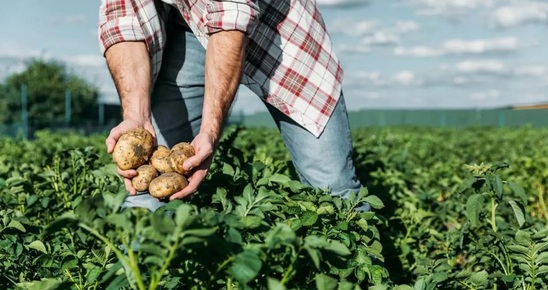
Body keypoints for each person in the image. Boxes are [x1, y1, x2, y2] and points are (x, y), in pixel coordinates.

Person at [98, 0, 367, 212]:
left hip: (278, 30)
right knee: (150, 187)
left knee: (333, 188)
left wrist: (210, 131)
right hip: (183, 26)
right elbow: (122, 20)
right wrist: (137, 116)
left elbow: (230, 15)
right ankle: (143, 277)